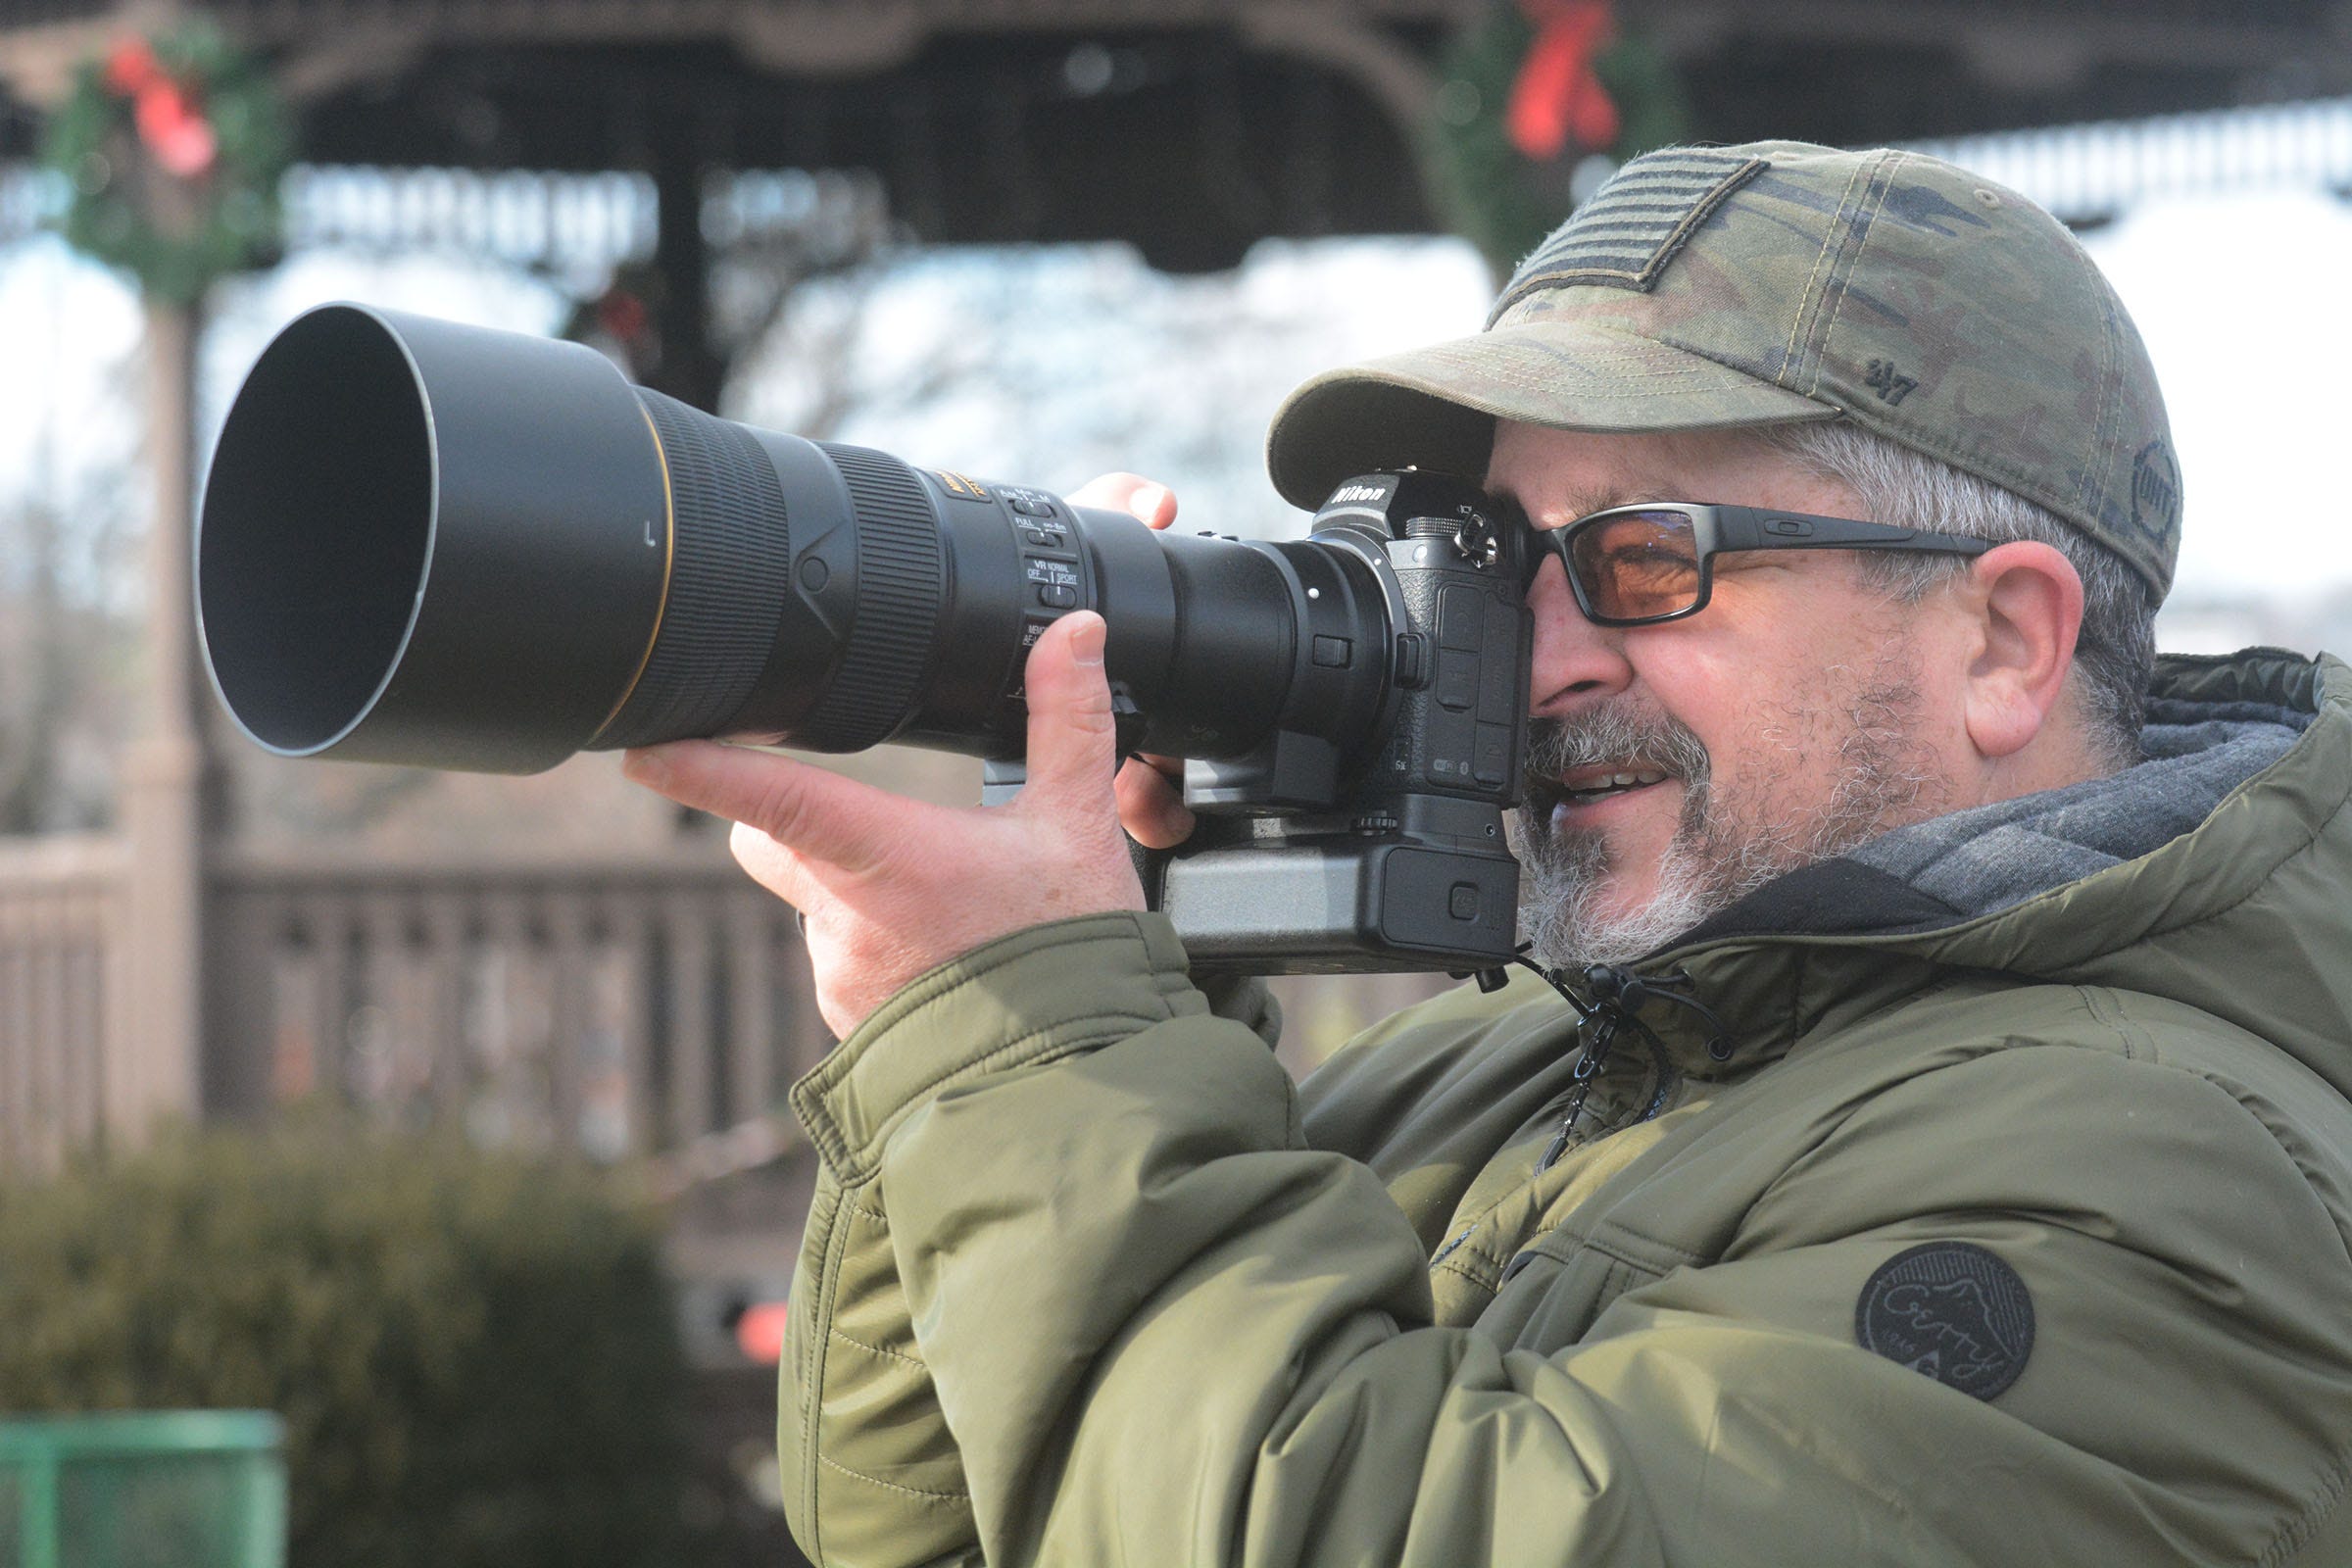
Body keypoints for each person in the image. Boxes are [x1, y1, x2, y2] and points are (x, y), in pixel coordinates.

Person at [623, 141, 2352, 1564]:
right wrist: (1089, 994)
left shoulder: (2169, 1187)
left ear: (2002, 644)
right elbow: (931, 1528)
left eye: (1644, 558)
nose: (1543, 656)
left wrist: (1035, 1047)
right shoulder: (1513, 1057)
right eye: (1502, 558)